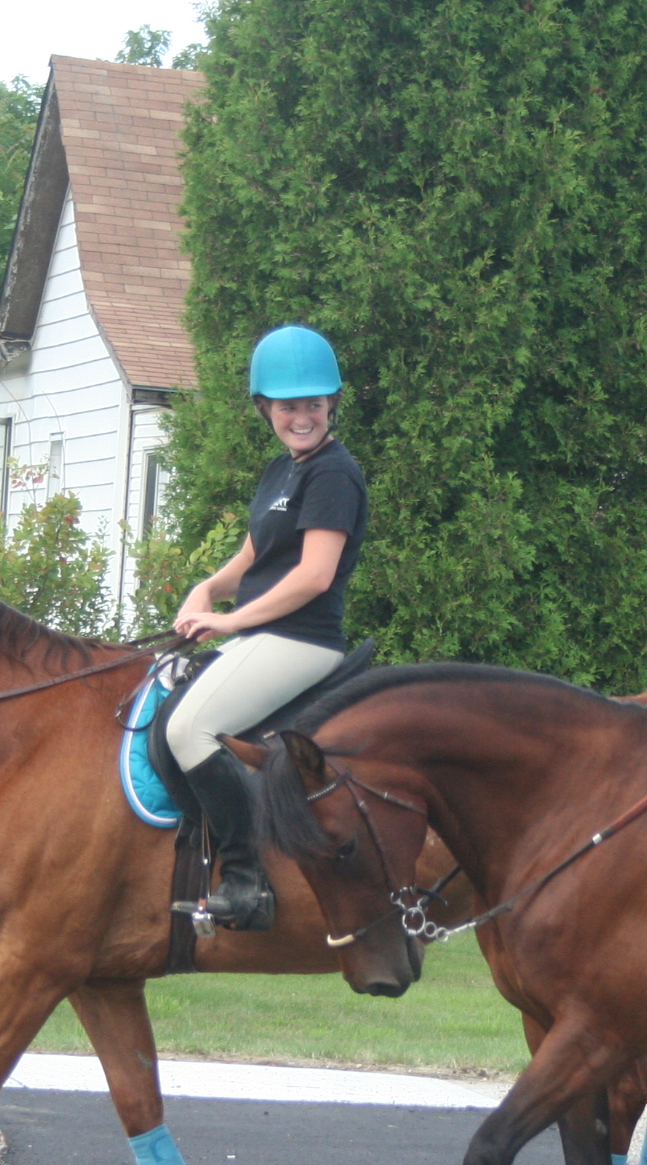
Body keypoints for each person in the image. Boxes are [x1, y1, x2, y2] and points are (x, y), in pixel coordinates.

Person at [167, 324, 372, 930]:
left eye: (313, 404)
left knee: (190, 731)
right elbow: (250, 561)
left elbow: (313, 577)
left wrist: (229, 621)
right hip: (264, 636)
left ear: (331, 403)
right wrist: (205, 589)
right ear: (266, 409)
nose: (301, 416)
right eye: (288, 406)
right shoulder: (281, 473)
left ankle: (246, 880)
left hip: (301, 641)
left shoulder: (333, 473)